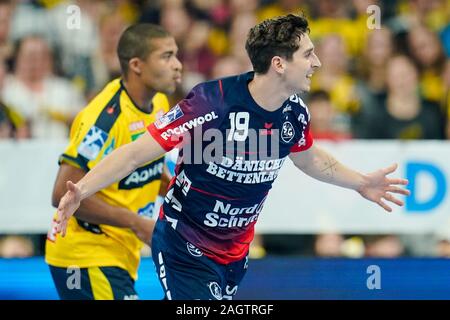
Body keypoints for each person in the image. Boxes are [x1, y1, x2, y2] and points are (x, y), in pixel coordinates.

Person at [55, 14, 409, 300]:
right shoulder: (213, 102)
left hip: (235, 252)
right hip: (183, 243)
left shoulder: (294, 113)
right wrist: (82, 191)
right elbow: (135, 153)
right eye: (308, 54)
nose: (316, 62)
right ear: (279, 64)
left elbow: (308, 159)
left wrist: (361, 182)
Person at [45, 24, 182, 300]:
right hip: (84, 256)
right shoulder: (105, 120)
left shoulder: (159, 104)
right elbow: (61, 194)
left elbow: (149, 170)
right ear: (136, 65)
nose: (177, 65)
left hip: (119, 253)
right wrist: (135, 222)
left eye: (176, 55)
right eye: (166, 57)